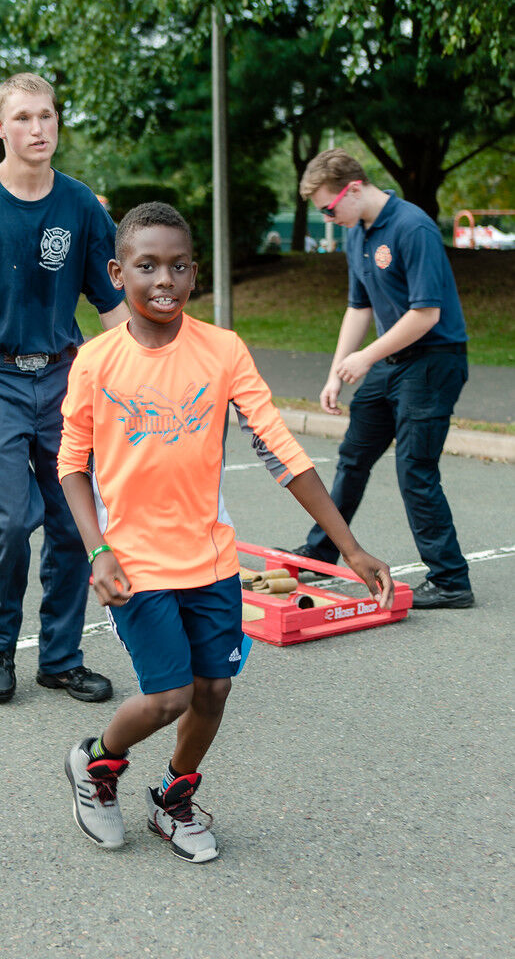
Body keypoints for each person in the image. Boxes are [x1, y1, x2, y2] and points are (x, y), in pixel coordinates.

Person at [57, 202, 394, 863]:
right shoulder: (95, 361)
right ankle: (95, 763)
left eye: (179, 265)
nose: (165, 280)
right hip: (135, 564)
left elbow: (278, 451)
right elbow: (71, 464)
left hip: (209, 559)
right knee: (167, 697)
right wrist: (96, 551)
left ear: (193, 272)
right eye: (147, 265)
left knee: (213, 690)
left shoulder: (221, 350)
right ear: (115, 272)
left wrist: (347, 546)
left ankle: (172, 799)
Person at [0, 73, 130, 704]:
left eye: (47, 116)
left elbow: (113, 309)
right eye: (23, 118)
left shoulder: (81, 208)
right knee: (12, 522)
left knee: (75, 524)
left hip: (68, 379)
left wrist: (139, 392)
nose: (38, 129)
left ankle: (61, 657)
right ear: (0, 127)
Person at [287, 149, 473, 609]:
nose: (329, 219)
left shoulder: (413, 227)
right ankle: (322, 550)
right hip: (392, 361)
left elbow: (426, 314)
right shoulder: (358, 234)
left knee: (414, 469)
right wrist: (337, 373)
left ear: (352, 189)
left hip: (433, 360)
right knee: (353, 457)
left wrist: (366, 357)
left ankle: (451, 580)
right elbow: (359, 307)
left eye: (329, 209)